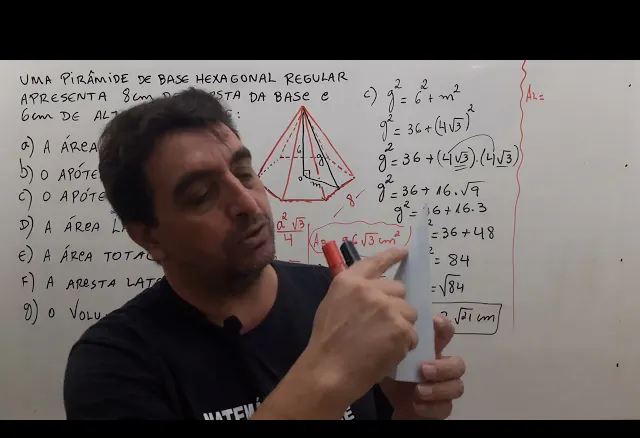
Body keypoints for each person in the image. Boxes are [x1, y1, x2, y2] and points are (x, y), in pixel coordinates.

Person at [63, 87, 466, 420]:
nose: (248, 203)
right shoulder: (112, 364)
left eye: (244, 174)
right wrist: (331, 370)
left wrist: (409, 410)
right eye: (201, 195)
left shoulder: (335, 294)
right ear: (149, 237)